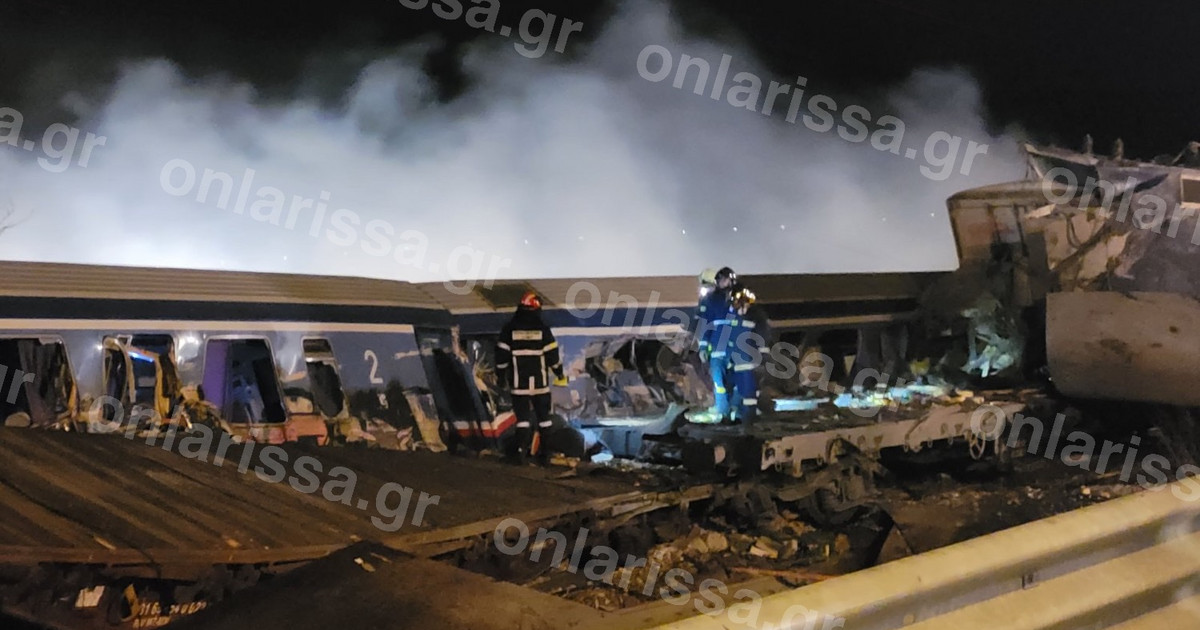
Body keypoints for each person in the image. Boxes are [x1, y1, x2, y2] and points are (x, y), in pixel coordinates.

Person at [494, 291, 567, 464]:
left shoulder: (509, 329)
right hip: (540, 385)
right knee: (544, 420)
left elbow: (501, 358)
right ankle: (545, 455)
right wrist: (559, 374)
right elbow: (553, 357)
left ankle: (519, 454)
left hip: (519, 384)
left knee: (523, 420)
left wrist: (501, 377)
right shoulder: (543, 330)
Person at [692, 267, 736, 422]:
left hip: (731, 347)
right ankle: (724, 410)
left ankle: (732, 409)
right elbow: (704, 324)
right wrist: (703, 347)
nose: (726, 283)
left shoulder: (735, 298)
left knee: (733, 381)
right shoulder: (711, 300)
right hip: (721, 347)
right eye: (723, 280)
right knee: (720, 381)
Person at [726, 284, 770, 424]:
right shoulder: (734, 318)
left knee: (750, 392)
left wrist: (762, 356)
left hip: (750, 362)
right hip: (739, 362)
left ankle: (748, 419)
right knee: (741, 391)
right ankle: (741, 416)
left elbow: (762, 336)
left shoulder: (756, 316)